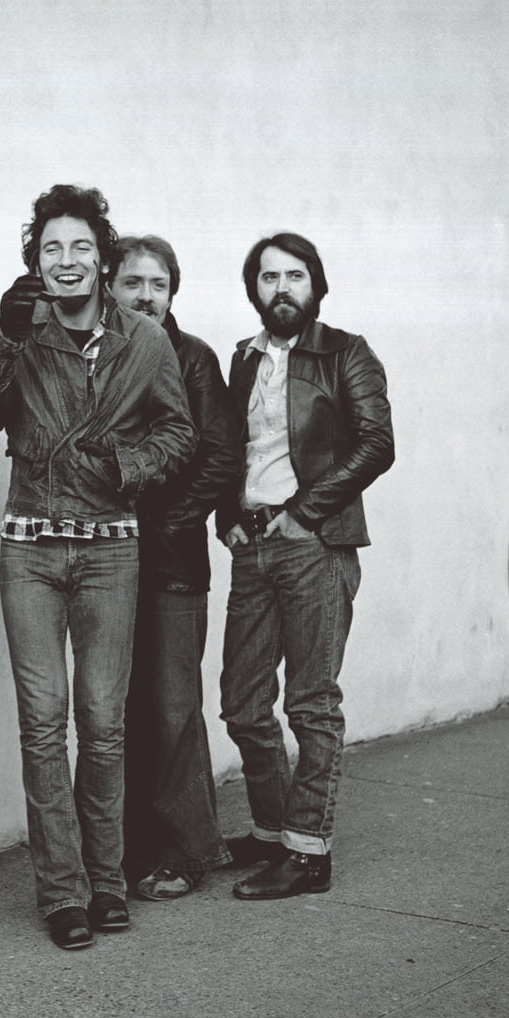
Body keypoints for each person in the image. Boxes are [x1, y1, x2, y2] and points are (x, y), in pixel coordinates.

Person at [0, 185, 194, 950]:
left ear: (103, 258)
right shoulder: (23, 334)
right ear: (36, 260)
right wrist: (3, 334)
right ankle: (62, 892)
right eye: (51, 248)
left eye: (81, 247)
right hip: (28, 547)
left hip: (109, 549)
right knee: (41, 723)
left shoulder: (144, 342)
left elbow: (178, 433)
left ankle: (108, 879)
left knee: (103, 721)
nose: (66, 261)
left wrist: (126, 463)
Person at [217, 232, 395, 899]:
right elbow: (231, 448)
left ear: (316, 286)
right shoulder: (244, 359)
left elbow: (378, 444)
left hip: (315, 543)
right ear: (253, 288)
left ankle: (308, 851)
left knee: (311, 701)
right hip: (253, 544)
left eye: (294, 276)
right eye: (268, 277)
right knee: (241, 702)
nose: (281, 288)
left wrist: (306, 512)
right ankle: (273, 830)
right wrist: (226, 516)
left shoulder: (345, 352)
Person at [107, 235, 241, 901]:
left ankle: (186, 850)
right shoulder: (98, 355)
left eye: (157, 283)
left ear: (172, 290)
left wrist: (163, 527)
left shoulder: (194, 358)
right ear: (111, 286)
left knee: (172, 705)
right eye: (132, 282)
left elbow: (219, 456)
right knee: (119, 707)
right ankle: (128, 849)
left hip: (171, 563)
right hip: (103, 558)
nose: (145, 295)